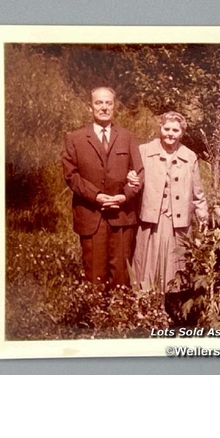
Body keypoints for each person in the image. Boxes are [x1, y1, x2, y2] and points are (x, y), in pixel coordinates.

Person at [62, 87, 143, 291]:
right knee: (94, 276)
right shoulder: (75, 138)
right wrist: (97, 196)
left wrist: (123, 197)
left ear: (114, 106)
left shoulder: (127, 137)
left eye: (108, 103)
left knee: (122, 276)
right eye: (99, 103)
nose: (104, 107)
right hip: (91, 216)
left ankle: (120, 318)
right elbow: (71, 176)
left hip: (122, 216)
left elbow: (138, 174)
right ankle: (96, 320)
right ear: (90, 107)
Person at [127, 111, 208, 294]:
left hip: (176, 223)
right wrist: (131, 176)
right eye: (167, 129)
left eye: (175, 130)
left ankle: (169, 308)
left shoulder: (189, 156)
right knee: (147, 267)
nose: (170, 134)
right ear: (160, 128)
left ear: (181, 133)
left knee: (174, 269)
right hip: (151, 221)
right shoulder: (144, 151)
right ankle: (147, 307)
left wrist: (202, 214)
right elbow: (133, 176)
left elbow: (198, 191)